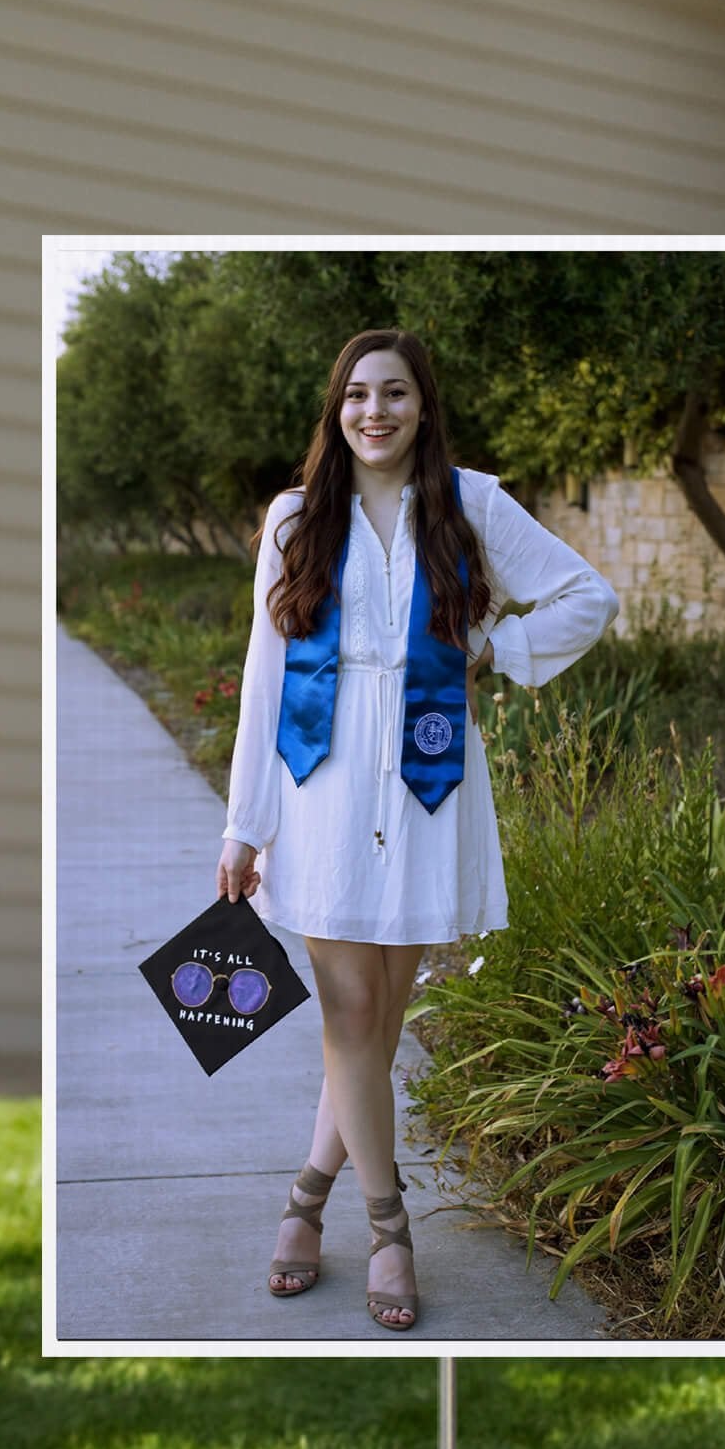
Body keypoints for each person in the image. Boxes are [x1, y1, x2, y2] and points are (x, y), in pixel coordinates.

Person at [217, 328, 618, 1329]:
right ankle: (389, 1227)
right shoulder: (294, 518)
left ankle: (304, 1199)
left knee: (379, 1023)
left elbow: (589, 594)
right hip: (322, 786)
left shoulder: (471, 503)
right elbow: (264, 684)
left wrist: (497, 648)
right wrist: (243, 825)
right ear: (334, 409)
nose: (374, 412)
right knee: (350, 1015)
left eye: (393, 393)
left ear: (422, 405)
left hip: (428, 780)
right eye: (356, 395)